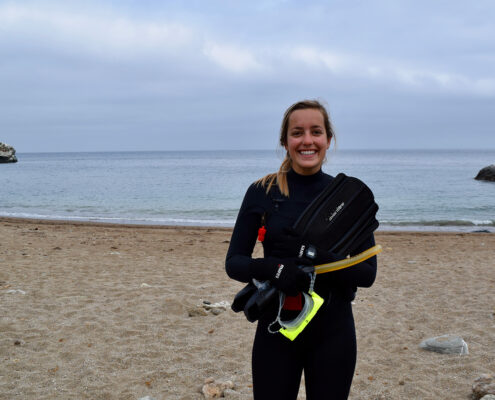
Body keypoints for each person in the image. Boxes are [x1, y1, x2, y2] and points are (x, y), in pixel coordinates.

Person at [225, 99, 377, 400]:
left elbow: (367, 273)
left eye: (316, 132)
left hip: (334, 332)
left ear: (328, 140)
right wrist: (273, 268)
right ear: (285, 141)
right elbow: (234, 262)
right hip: (277, 329)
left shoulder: (348, 197)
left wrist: (315, 256)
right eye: (297, 133)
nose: (307, 141)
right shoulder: (262, 191)